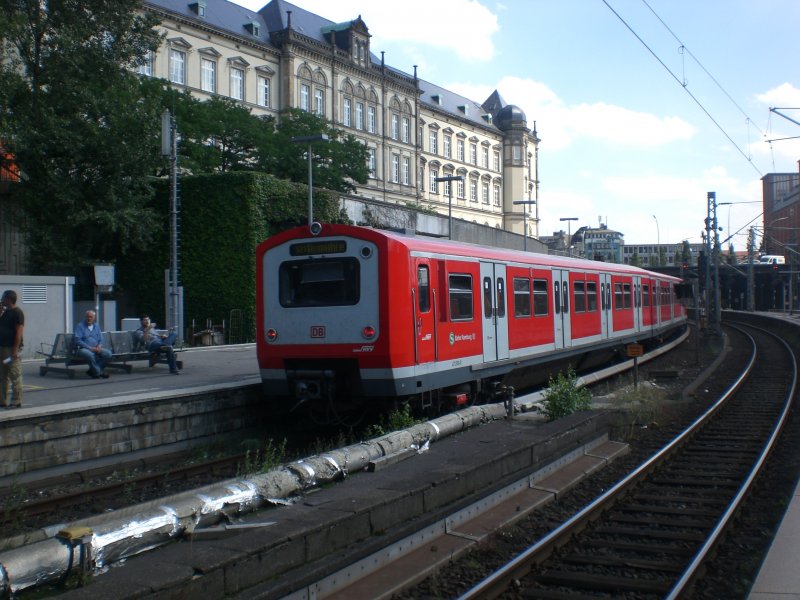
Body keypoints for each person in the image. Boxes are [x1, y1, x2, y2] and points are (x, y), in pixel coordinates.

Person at [0, 290, 24, 408]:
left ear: (9, 299)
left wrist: (15, 350)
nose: (1, 300)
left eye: (3, 298)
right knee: (2, 376)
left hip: (11, 349)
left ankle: (16, 401)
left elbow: (18, 333)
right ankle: (2, 400)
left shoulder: (17, 313)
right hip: (2, 348)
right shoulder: (5, 313)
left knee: (15, 375)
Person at [74, 310, 111, 378]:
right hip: (83, 349)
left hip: (96, 347)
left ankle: (92, 371)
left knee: (108, 354)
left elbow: (101, 339)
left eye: (91, 317)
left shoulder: (96, 326)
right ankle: (99, 372)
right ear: (85, 317)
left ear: (94, 318)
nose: (89, 318)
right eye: (87, 317)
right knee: (90, 355)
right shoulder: (80, 326)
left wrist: (99, 346)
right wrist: (90, 348)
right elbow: (78, 341)